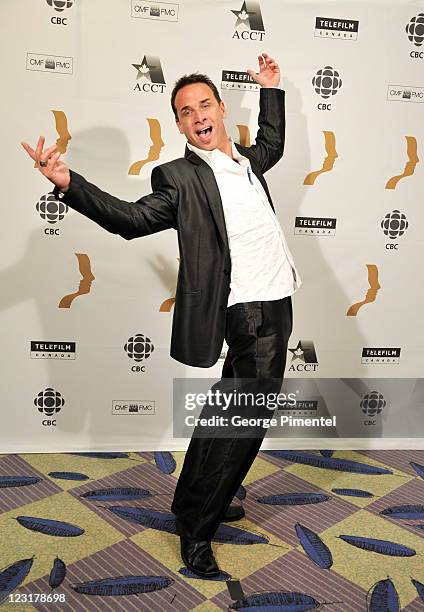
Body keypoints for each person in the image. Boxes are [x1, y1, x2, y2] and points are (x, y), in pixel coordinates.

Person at [22, 52, 301, 578]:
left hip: (278, 297)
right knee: (245, 423)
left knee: (226, 412)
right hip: (247, 311)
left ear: (221, 108)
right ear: (178, 124)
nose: (197, 117)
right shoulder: (178, 177)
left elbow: (272, 143)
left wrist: (271, 89)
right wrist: (67, 183)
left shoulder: (247, 160)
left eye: (204, 105)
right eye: (185, 111)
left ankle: (191, 501)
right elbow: (129, 220)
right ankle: (198, 530)